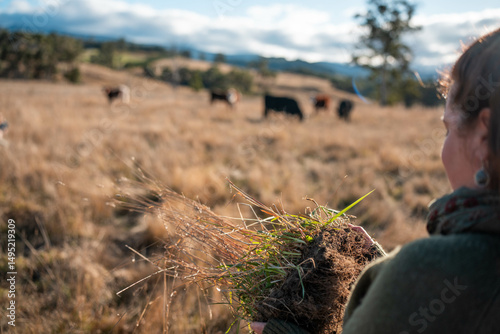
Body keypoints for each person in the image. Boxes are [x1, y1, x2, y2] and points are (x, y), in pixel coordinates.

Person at [251, 27, 500, 334]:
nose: (443, 147)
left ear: (482, 137)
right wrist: (378, 263)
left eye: (448, 129)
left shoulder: (437, 270)